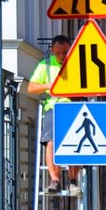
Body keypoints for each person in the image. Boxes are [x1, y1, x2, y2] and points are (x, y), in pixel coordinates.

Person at [28, 34, 81, 196]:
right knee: (50, 143)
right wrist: (50, 85)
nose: (62, 56)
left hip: (72, 107)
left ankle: (73, 181)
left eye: (65, 52)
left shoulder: (76, 65)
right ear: (52, 51)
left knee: (74, 145)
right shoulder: (45, 66)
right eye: (58, 53)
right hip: (53, 108)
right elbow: (31, 88)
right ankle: (55, 180)